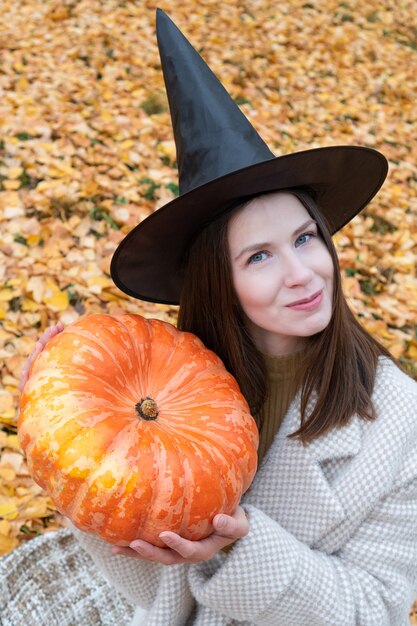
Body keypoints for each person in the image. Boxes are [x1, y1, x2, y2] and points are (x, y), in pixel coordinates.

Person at [17, 9, 417, 626]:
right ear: (219, 282)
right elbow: (152, 595)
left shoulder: (399, 424)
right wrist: (68, 449)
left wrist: (242, 543)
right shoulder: (171, 386)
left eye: (306, 238)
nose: (302, 273)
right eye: (260, 256)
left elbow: (374, 612)